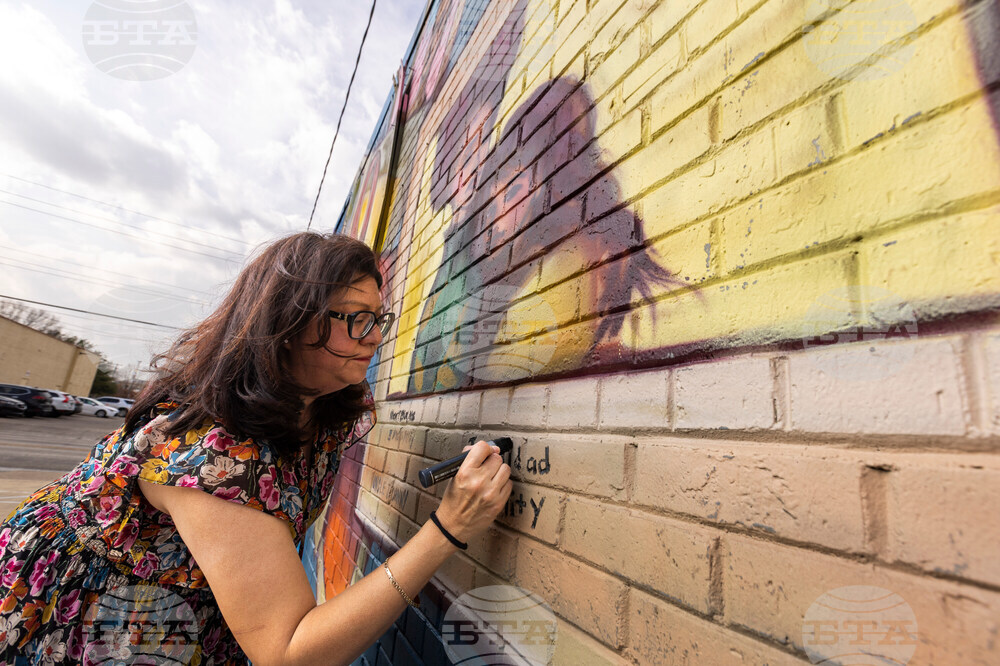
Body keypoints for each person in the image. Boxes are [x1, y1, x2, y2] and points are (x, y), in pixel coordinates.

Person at [0, 232, 513, 665]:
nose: (375, 337)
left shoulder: (320, 408)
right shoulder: (214, 454)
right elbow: (288, 650)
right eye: (357, 318)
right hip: (68, 625)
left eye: (380, 319)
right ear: (289, 325)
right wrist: (450, 529)